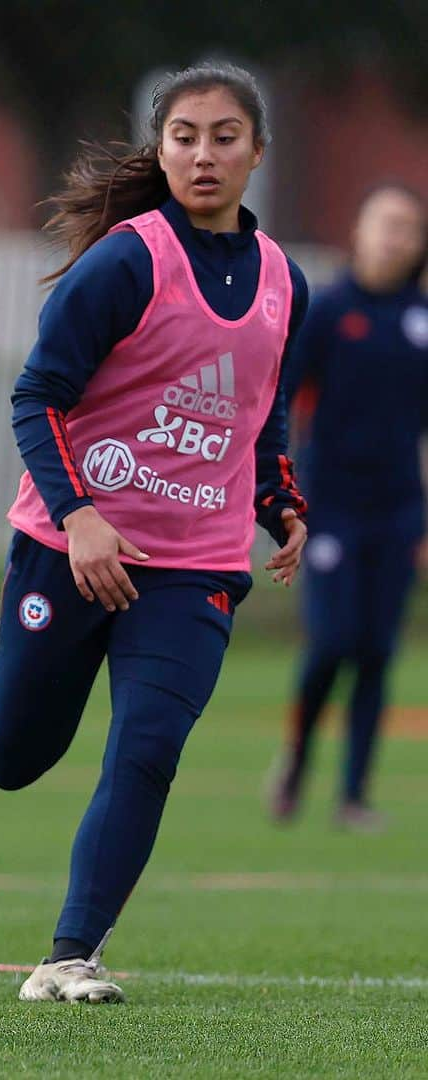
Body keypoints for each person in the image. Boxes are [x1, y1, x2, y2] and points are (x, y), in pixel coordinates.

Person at [0, 62, 308, 1005]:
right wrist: (81, 520)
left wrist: (281, 500)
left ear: (256, 152)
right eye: (185, 135)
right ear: (161, 149)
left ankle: (70, 957)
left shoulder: (284, 281)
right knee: (14, 761)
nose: (204, 153)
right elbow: (36, 396)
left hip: (194, 562)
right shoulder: (126, 259)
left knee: (148, 744)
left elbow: (261, 411)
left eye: (225, 135)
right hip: (71, 546)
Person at [269, 183, 428, 831]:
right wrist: (284, 498)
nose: (394, 238)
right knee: (332, 642)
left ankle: (353, 795)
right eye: (383, 224)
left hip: (398, 513)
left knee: (377, 651)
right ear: (359, 232)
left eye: (407, 228)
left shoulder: (421, 320)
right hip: (331, 507)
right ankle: (297, 762)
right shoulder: (329, 310)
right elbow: (279, 402)